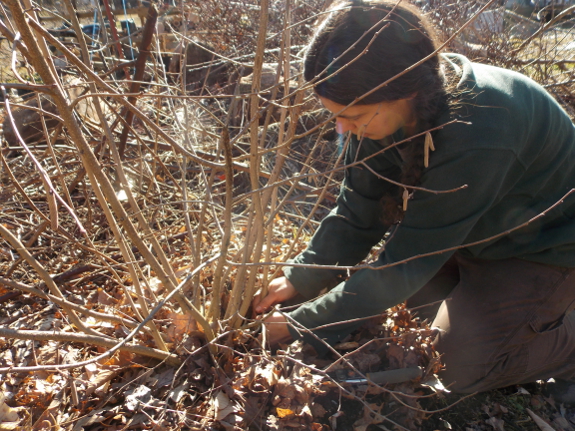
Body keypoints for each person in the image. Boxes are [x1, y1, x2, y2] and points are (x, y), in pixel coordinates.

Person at [253, 0, 575, 395]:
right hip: (473, 233)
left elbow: (405, 265)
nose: (342, 128)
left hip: (544, 248)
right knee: (406, 321)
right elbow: (358, 210)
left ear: (402, 91)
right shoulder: (381, 113)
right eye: (336, 115)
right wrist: (301, 276)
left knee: (449, 367)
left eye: (352, 116)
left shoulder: (479, 127)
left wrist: (301, 323)